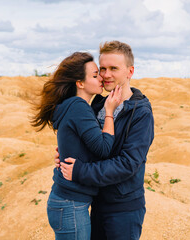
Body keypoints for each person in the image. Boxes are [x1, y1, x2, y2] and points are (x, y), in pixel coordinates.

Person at [55, 41, 154, 240]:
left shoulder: (141, 112)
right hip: (94, 201)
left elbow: (128, 163)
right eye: (103, 69)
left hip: (123, 208)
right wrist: (66, 154)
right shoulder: (98, 103)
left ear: (130, 71)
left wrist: (81, 171)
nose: (106, 75)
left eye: (113, 69)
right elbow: (90, 143)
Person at [31, 52, 122, 240]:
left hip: (67, 202)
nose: (102, 78)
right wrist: (109, 112)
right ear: (80, 83)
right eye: (95, 75)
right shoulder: (79, 107)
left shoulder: (73, 107)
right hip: (70, 204)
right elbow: (104, 149)